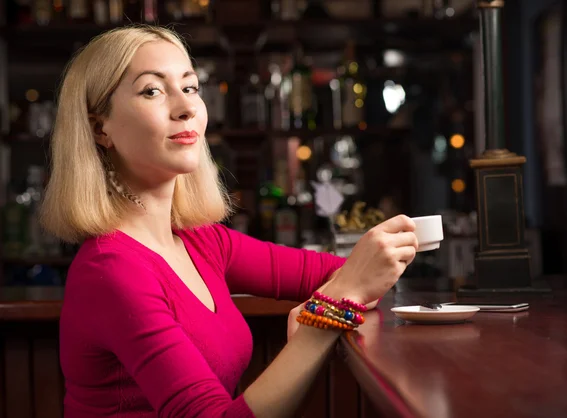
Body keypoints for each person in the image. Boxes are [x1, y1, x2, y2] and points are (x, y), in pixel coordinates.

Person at [40, 25, 419, 418]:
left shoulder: (202, 241)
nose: (185, 107)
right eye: (152, 90)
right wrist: (319, 322)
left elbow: (350, 275)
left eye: (189, 87)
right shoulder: (112, 271)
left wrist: (341, 293)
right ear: (101, 128)